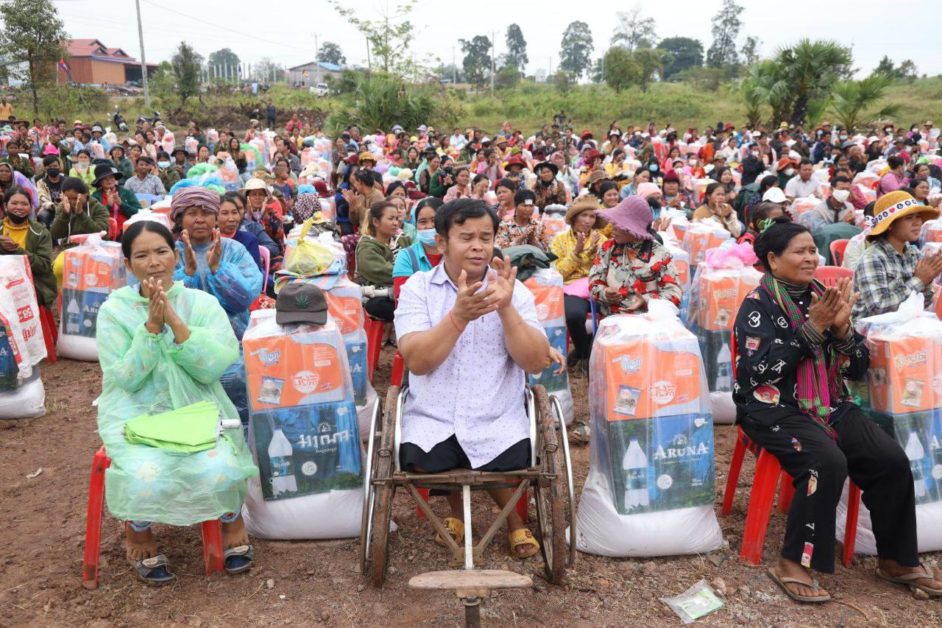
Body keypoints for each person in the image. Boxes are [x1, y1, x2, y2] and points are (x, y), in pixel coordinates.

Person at [734, 218, 941, 603]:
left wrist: (844, 331)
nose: (811, 258)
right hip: (772, 406)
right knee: (825, 461)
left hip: (828, 403)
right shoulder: (757, 305)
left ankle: (895, 560)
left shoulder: (825, 297)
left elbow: (858, 369)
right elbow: (758, 374)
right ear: (773, 260)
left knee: (890, 459)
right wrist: (813, 328)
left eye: (813, 250)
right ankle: (793, 562)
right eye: (799, 251)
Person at [96, 220, 257, 585]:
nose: (153, 262)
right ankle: (139, 531)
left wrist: (174, 321)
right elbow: (127, 378)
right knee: (144, 472)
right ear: (127, 263)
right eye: (141, 255)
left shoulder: (202, 304)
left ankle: (230, 521)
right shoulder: (114, 311)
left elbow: (213, 367)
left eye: (161, 252)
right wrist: (151, 329)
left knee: (219, 465)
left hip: (198, 407)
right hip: (137, 412)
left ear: (176, 256)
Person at [394, 198, 551, 559]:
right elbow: (416, 361)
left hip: (498, 418)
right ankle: (458, 513)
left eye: (486, 237)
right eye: (466, 237)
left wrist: (506, 309)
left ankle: (512, 521)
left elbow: (534, 362)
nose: (478, 246)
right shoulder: (418, 289)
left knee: (499, 451)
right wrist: (458, 318)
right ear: (441, 243)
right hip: (432, 419)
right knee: (433, 453)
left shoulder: (514, 291)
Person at [172, 187, 263, 341]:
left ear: (215, 218)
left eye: (206, 213)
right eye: (192, 214)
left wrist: (218, 270)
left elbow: (246, 298)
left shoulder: (234, 250)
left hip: (233, 335)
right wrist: (187, 273)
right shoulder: (171, 253)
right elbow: (167, 301)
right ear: (180, 220)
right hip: (185, 337)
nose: (200, 220)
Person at [852, 190, 942, 320]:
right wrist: (920, 280)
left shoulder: (913, 253)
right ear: (890, 225)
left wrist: (929, 276)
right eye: (909, 218)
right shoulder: (872, 258)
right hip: (871, 330)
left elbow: (924, 302)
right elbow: (879, 307)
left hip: (904, 326)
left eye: (918, 216)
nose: (917, 223)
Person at [589, 196, 682, 315]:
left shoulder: (661, 255)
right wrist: (605, 293)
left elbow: (674, 293)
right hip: (613, 318)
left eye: (619, 224)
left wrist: (646, 302)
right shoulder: (607, 248)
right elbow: (594, 282)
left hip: (648, 318)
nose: (613, 228)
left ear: (632, 229)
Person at [550, 196, 606, 370]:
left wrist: (595, 254)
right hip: (572, 289)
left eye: (592, 216)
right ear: (574, 217)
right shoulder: (559, 240)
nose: (588, 221)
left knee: (617, 312)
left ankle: (601, 352)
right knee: (573, 316)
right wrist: (576, 253)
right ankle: (583, 352)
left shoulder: (602, 240)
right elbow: (557, 273)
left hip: (598, 286)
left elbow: (607, 269)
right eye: (584, 215)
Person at [0, 186, 55, 309]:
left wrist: (16, 250)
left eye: (24, 204)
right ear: (5, 206)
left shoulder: (40, 232)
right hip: (2, 281)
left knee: (12, 295)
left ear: (31, 208)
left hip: (33, 282)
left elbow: (44, 265)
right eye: (14, 203)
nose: (19, 207)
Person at [356, 201, 409, 322]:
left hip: (405, 288)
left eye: (397, 218)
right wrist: (409, 275)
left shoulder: (402, 240)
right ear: (376, 222)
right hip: (381, 293)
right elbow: (384, 273)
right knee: (376, 305)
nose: (395, 223)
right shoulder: (367, 247)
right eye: (391, 219)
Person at [392, 198, 444, 299]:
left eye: (434, 221)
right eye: (423, 222)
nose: (429, 226)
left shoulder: (455, 253)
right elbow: (403, 297)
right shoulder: (406, 256)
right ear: (416, 225)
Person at [91, 164, 140, 234]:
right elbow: (94, 217)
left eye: (111, 177)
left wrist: (121, 204)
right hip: (105, 230)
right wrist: (108, 206)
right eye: (105, 179)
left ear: (114, 178)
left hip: (127, 229)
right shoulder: (95, 196)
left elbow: (138, 212)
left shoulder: (126, 193)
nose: (109, 181)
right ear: (100, 182)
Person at [218, 193, 261, 271]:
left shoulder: (249, 240)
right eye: (225, 213)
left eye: (235, 212)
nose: (231, 219)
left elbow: (254, 273)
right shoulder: (207, 240)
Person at [35, 155, 65, 226]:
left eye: (55, 166)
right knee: (43, 215)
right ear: (45, 168)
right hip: (49, 208)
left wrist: (61, 205)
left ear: (59, 166)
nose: (53, 168)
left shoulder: (66, 180)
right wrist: (52, 206)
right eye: (49, 167)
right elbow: (42, 197)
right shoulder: (41, 182)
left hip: (65, 207)